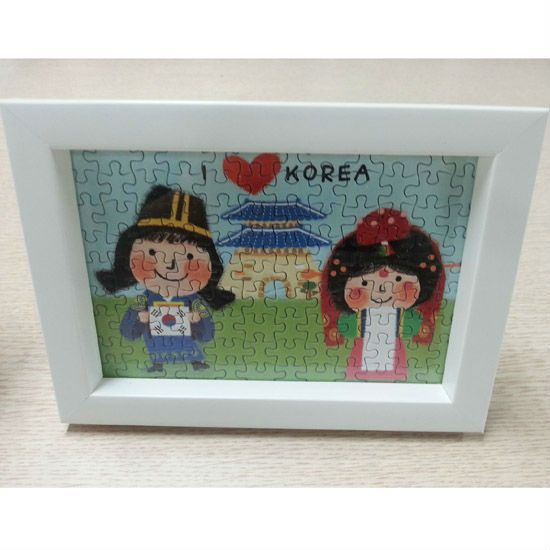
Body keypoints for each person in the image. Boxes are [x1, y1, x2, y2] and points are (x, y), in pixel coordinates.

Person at [97, 185, 234, 374]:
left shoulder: (193, 300)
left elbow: (207, 333)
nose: (170, 264)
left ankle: (195, 361)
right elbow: (128, 332)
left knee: (190, 349)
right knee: (156, 348)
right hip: (157, 345)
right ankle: (158, 363)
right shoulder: (144, 300)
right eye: (153, 252)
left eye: (189, 256)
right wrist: (140, 318)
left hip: (186, 343)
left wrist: (197, 319)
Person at [321, 208, 445, 380]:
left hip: (396, 357)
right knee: (359, 368)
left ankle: (394, 376)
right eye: (364, 283)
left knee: (396, 368)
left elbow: (413, 325)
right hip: (360, 356)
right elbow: (345, 326)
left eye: (398, 279)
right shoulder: (359, 317)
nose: (382, 289)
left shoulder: (404, 317)